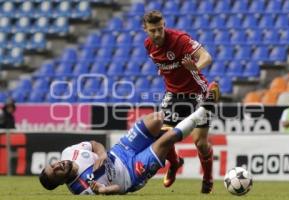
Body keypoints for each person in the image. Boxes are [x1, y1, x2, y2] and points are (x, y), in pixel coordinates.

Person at [39, 107, 208, 195]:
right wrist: (105, 190)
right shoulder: (82, 188)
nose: (57, 165)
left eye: (52, 165)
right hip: (131, 174)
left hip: (121, 151)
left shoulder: (69, 152)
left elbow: (93, 144)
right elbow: (118, 188)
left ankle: (174, 162)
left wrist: (103, 154)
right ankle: (203, 110)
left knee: (156, 119)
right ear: (61, 182)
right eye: (56, 172)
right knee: (166, 139)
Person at [143, 10, 220, 193]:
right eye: (153, 30)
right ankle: (175, 162)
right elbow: (165, 68)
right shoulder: (149, 46)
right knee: (161, 135)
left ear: (164, 25)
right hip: (174, 95)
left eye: (160, 29)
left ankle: (208, 178)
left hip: (197, 93)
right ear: (145, 29)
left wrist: (195, 67)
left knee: (200, 143)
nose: (157, 34)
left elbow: (207, 57)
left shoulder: (180, 39)